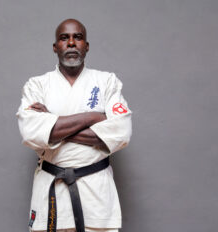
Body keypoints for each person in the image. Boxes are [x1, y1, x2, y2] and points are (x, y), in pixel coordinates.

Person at [16, 19, 132, 232]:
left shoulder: (107, 82)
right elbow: (31, 132)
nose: (71, 42)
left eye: (77, 37)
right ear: (55, 47)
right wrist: (94, 117)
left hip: (97, 191)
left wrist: (51, 123)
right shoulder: (37, 85)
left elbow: (121, 133)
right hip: (51, 186)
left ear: (86, 46)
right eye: (64, 38)